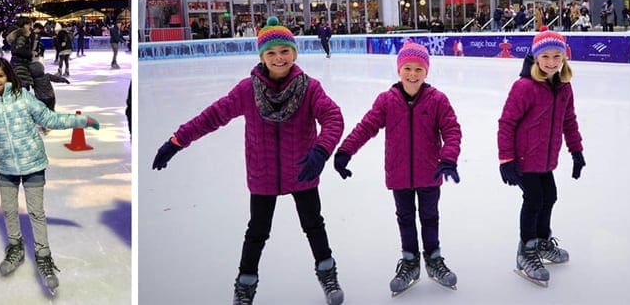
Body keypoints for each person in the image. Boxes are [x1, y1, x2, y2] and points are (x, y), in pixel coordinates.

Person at [152, 16, 346, 305]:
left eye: (284, 51)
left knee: (313, 224)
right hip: (263, 173)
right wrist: (177, 141)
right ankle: (245, 284)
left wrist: (320, 152)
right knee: (257, 232)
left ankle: (327, 274)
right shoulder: (248, 90)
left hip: (303, 170)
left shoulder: (309, 88)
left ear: (294, 53)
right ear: (262, 57)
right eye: (271, 53)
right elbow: (212, 116)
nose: (278, 58)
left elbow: (333, 118)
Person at [333, 40, 462, 295]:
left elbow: (452, 130)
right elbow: (366, 127)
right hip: (399, 173)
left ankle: (434, 259)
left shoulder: (437, 99)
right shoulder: (387, 100)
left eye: (418, 69)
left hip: (429, 172)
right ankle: (410, 261)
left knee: (429, 217)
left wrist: (448, 157)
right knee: (405, 219)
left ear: (426, 72)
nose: (413, 74)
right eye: (408, 68)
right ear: (399, 70)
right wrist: (345, 150)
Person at [0, 57, 100, 293]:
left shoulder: (23, 97)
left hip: (33, 163)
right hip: (6, 166)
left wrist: (81, 121)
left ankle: (43, 255)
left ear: (8, 76)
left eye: (0, 75)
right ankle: (15, 247)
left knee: (36, 212)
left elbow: (49, 119)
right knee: (9, 210)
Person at [497, 27, 585, 287]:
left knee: (550, 196)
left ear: (564, 59)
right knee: (534, 198)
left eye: (557, 56)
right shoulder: (524, 87)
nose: (551, 62)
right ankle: (526, 250)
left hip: (546, 159)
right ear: (536, 58)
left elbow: (569, 121)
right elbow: (506, 123)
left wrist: (576, 151)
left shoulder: (564, 88)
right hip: (524, 158)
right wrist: (506, 160)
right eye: (545, 56)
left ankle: (543, 241)